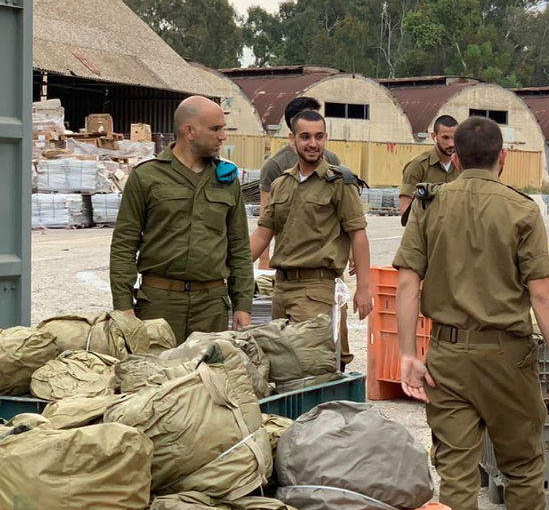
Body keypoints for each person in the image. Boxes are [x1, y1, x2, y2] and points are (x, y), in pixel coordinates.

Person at [394, 116, 549, 510]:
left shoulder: (430, 204)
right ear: (502, 158)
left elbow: (407, 282)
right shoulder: (521, 209)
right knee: (523, 463)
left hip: (447, 354)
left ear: (455, 157)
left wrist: (407, 354)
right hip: (506, 356)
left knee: (456, 468)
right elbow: (542, 293)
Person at [110, 96, 254, 343]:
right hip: (159, 304)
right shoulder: (147, 176)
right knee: (156, 367)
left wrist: (243, 304)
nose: (223, 136)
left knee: (210, 367)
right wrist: (123, 306)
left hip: (211, 306)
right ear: (189, 131)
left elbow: (239, 247)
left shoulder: (226, 179)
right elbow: (124, 244)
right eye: (215, 129)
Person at [248, 106, 372, 354]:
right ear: (292, 139)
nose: (313, 143)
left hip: (317, 289)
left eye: (319, 136)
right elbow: (263, 233)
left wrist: (364, 288)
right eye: (305, 137)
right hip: (281, 288)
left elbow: (358, 234)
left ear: (326, 138)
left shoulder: (339, 183)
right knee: (282, 361)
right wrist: (233, 270)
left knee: (314, 361)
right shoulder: (281, 184)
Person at [258, 97, 341, 269]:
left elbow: (346, 216)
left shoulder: (331, 160)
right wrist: (264, 261)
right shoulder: (275, 165)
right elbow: (265, 216)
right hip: (288, 260)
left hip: (325, 264)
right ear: (293, 126)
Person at [399, 115, 459, 219]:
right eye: (445, 138)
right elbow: (406, 209)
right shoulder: (417, 167)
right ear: (434, 136)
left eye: (454, 138)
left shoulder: (464, 166)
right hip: (427, 228)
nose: (451, 143)